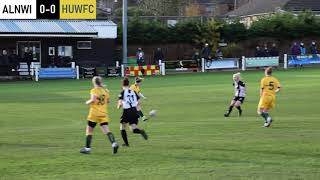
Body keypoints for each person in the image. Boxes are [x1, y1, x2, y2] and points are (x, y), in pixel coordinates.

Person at [80, 76, 119, 154]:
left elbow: (93, 100)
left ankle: (87, 149)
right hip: (103, 113)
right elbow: (108, 101)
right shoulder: (105, 91)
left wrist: (87, 102)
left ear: (94, 82)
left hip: (94, 113)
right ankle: (114, 144)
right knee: (106, 130)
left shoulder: (94, 90)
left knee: (89, 130)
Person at [118, 77, 148, 147]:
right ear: (128, 84)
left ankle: (126, 144)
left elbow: (120, 104)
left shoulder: (122, 92)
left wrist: (119, 106)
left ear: (122, 85)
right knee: (133, 129)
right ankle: (141, 131)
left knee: (122, 127)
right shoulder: (133, 92)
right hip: (134, 111)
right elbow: (139, 102)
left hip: (127, 111)